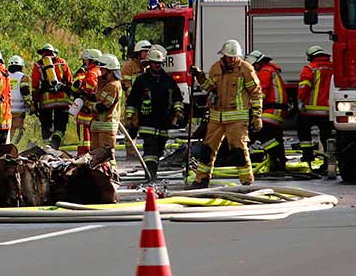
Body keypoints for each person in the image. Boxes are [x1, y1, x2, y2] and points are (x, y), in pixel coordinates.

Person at [191, 39, 262, 187]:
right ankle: (201, 179)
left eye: (234, 57)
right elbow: (210, 87)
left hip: (237, 118)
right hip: (216, 117)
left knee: (239, 150)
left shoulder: (245, 69)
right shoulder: (216, 68)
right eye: (229, 57)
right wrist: (200, 76)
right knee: (207, 149)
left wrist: (257, 116)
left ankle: (246, 181)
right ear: (223, 55)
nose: (231, 60)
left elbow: (256, 93)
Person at [125, 44, 183, 181]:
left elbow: (177, 98)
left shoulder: (168, 80)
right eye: (155, 63)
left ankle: (152, 172)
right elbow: (132, 100)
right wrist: (130, 117)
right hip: (147, 121)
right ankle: (150, 175)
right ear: (149, 63)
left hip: (164, 122)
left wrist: (178, 111)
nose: (157, 65)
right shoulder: (141, 81)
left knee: (158, 151)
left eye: (159, 63)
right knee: (150, 149)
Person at [246, 50, 288, 174]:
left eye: (253, 66)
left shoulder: (265, 72)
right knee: (275, 138)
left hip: (271, 111)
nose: (253, 69)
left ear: (259, 63)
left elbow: (260, 93)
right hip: (277, 111)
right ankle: (279, 164)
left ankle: (275, 160)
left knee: (264, 135)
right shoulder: (271, 70)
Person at [297, 45, 333, 168]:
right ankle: (329, 162)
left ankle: (307, 157)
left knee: (304, 133)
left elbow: (304, 86)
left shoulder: (310, 68)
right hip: (328, 111)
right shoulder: (334, 67)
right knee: (327, 136)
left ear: (311, 57)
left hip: (310, 111)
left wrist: (300, 101)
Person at [30, 43, 73, 148]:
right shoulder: (62, 63)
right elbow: (69, 81)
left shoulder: (38, 65)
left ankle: (47, 148)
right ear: (54, 52)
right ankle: (56, 140)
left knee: (46, 125)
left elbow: (35, 85)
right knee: (60, 125)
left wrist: (35, 102)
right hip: (62, 101)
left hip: (46, 102)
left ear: (42, 53)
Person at [90, 53, 123, 173]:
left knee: (107, 155)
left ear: (110, 70)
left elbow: (103, 106)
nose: (100, 72)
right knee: (96, 155)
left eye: (102, 70)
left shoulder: (114, 86)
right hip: (98, 126)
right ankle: (98, 176)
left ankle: (112, 174)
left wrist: (88, 106)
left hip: (106, 127)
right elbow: (98, 98)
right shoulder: (105, 84)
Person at [71, 48, 103, 156]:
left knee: (84, 138)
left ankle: (83, 156)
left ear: (91, 60)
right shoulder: (101, 71)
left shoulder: (92, 73)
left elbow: (88, 89)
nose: (84, 62)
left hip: (85, 111)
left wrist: (80, 90)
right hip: (95, 110)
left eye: (86, 60)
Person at [7, 56, 29, 144]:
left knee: (9, 130)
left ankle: (6, 146)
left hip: (6, 109)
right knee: (18, 130)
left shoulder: (5, 76)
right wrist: (30, 105)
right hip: (18, 110)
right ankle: (13, 148)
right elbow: (25, 92)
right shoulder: (23, 77)